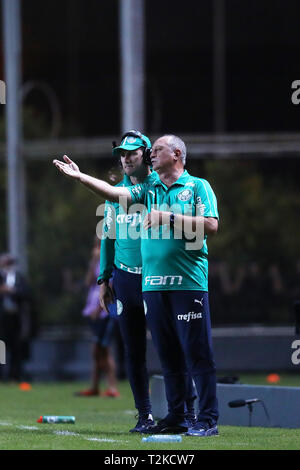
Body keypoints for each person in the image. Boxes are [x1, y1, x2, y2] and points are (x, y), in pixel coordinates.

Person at [53, 133, 219, 437]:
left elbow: (210, 226)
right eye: (150, 151)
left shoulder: (197, 186)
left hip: (186, 281)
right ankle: (172, 416)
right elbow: (113, 199)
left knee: (194, 352)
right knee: (162, 352)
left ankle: (205, 418)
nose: (148, 156)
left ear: (176, 154)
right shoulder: (147, 188)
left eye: (155, 151)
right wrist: (80, 177)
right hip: (148, 284)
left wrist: (166, 218)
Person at [98, 130, 196, 432]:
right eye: (122, 155)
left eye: (132, 153)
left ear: (147, 155)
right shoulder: (116, 195)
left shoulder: (159, 187)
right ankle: (145, 414)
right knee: (133, 349)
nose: (126, 159)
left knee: (176, 346)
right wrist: (104, 278)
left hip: (159, 278)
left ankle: (187, 413)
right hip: (126, 278)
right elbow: (108, 238)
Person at [76, 238, 120, 397]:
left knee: (103, 349)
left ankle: (112, 387)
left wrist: (98, 308)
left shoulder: (112, 260)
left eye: (99, 244)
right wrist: (94, 260)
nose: (96, 248)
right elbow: (89, 282)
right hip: (92, 310)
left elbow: (111, 286)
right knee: (96, 351)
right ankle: (95, 386)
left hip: (104, 311)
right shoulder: (97, 260)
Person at [0, 253, 34, 381]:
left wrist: (12, 291)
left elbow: (27, 294)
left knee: (16, 347)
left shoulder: (18, 278)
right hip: (2, 319)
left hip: (15, 318)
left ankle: (14, 375)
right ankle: (1, 375)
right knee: (1, 347)